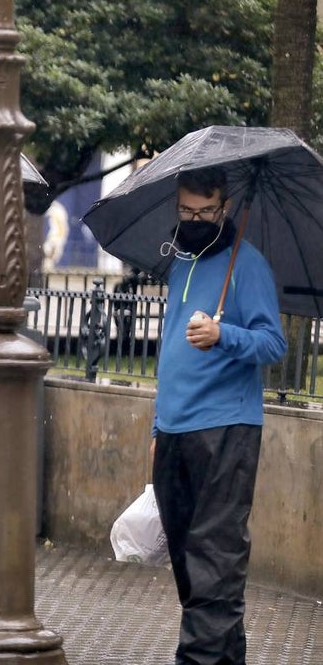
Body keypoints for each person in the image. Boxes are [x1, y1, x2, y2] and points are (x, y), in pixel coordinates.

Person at [153, 167, 286, 665]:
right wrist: (156, 424)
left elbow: (274, 342)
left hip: (226, 428)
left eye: (204, 212)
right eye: (186, 211)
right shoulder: (179, 261)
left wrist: (223, 335)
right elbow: (169, 350)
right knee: (192, 564)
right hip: (173, 430)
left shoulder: (246, 265)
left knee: (215, 558)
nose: (194, 219)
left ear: (224, 208)